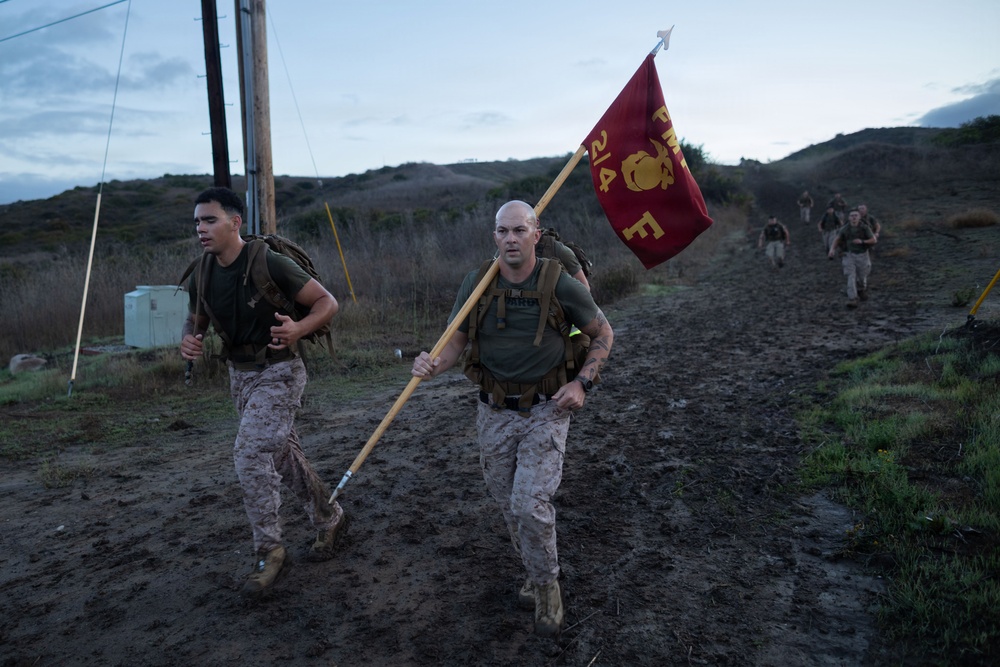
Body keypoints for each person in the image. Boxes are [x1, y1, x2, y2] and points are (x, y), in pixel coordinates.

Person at [411, 200, 614, 638]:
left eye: (519, 230)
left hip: (547, 408)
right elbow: (454, 343)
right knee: (509, 504)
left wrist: (582, 383)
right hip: (494, 411)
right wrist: (432, 364)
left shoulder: (559, 283)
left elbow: (603, 332)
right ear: (494, 236)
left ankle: (547, 586)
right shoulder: (477, 283)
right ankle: (533, 569)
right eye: (503, 231)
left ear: (536, 235)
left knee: (529, 504)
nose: (511, 239)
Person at [179, 187, 349, 597]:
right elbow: (195, 320)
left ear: (235, 222)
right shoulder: (202, 272)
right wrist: (188, 339)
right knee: (282, 457)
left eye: (210, 220)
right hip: (240, 376)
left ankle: (270, 551)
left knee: (251, 454)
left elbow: (327, 303)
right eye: (198, 222)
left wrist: (298, 329)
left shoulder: (268, 261)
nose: (201, 228)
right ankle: (329, 516)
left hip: (280, 371)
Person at [828, 209, 877, 308]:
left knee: (862, 276)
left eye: (856, 215)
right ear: (849, 218)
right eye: (852, 215)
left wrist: (862, 241)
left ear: (859, 217)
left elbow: (873, 240)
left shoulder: (864, 228)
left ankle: (861, 289)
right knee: (851, 275)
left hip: (862, 255)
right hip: (848, 255)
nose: (854, 217)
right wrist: (832, 250)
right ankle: (852, 298)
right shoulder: (845, 229)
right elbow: (837, 239)